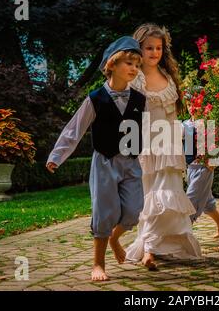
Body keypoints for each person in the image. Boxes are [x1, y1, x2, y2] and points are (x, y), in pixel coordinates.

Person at [46, 36, 146, 281]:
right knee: (104, 212)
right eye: (128, 63)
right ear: (111, 64)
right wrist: (57, 157)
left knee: (134, 210)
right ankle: (98, 264)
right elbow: (74, 130)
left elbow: (150, 130)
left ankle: (115, 238)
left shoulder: (140, 100)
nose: (134, 69)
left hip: (131, 162)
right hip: (105, 162)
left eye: (136, 64)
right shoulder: (95, 99)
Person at [125, 23, 202, 270]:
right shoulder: (133, 78)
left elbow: (172, 117)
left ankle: (159, 247)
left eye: (158, 48)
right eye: (149, 48)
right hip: (146, 144)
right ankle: (149, 247)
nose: (154, 52)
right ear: (139, 49)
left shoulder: (168, 78)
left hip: (168, 144)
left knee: (168, 194)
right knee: (150, 197)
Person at [182, 96, 219, 238]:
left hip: (204, 168)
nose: (191, 107)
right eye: (189, 104)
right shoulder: (185, 124)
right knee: (207, 201)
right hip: (190, 167)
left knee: (191, 199)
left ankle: (183, 231)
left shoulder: (209, 122)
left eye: (195, 104)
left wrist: (215, 161)